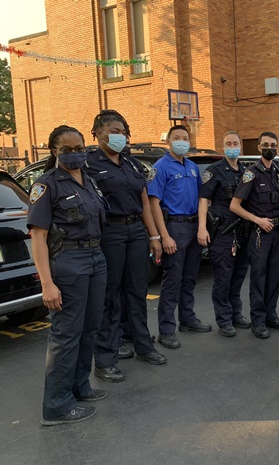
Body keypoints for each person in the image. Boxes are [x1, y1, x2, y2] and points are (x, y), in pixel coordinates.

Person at [28, 126, 107, 425]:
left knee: (90, 327)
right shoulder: (47, 185)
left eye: (79, 148)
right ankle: (57, 407)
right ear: (54, 151)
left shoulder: (89, 180)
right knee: (66, 334)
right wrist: (47, 283)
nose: (75, 154)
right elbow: (38, 237)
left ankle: (79, 387)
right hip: (68, 261)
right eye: (67, 149)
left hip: (95, 257)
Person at [85, 110, 167, 383]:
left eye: (122, 130)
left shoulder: (132, 164)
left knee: (136, 291)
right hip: (109, 233)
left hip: (135, 232)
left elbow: (144, 203)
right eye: (112, 130)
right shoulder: (88, 164)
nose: (118, 135)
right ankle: (106, 358)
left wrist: (154, 237)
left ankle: (143, 346)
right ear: (97, 132)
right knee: (109, 296)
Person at [148, 125, 211, 349]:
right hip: (174, 228)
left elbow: (203, 198)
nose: (182, 141)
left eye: (185, 138)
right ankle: (166, 330)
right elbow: (153, 203)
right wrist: (163, 236)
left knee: (189, 278)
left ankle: (187, 318)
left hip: (193, 226)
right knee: (172, 281)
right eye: (177, 138)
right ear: (169, 142)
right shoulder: (160, 167)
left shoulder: (193, 167)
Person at [230, 132, 279, 339]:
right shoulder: (251, 173)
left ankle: (270, 315)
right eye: (266, 145)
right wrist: (257, 220)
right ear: (258, 148)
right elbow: (235, 206)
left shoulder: (278, 173)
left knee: (275, 276)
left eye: (273, 145)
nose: (270, 148)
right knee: (259, 277)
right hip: (259, 232)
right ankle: (257, 320)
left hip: (276, 231)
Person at [198, 131, 252, 337]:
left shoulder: (245, 171)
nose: (232, 146)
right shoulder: (214, 170)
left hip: (242, 232)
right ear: (223, 147)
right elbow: (203, 200)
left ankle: (236, 313)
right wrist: (202, 228)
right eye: (228, 143)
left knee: (238, 275)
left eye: (235, 143)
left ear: (240, 146)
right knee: (223, 276)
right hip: (223, 232)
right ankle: (224, 319)